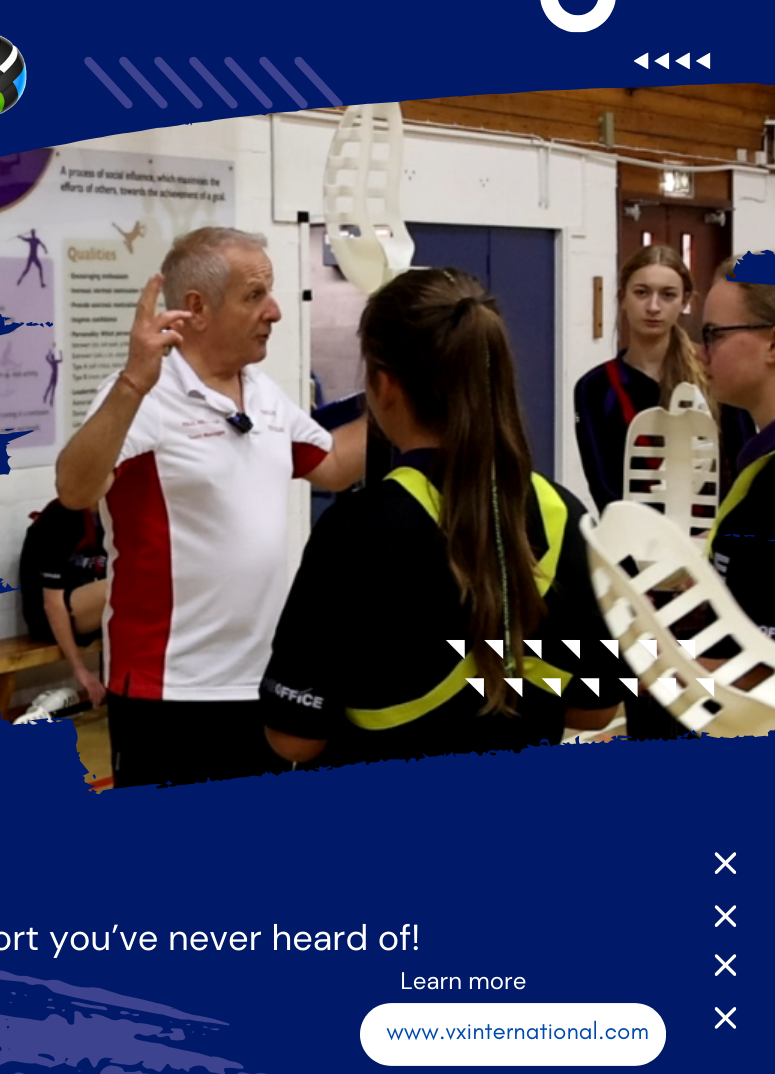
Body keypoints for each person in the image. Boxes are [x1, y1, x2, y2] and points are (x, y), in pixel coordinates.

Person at [260, 268, 625, 768]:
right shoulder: (561, 513)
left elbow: (295, 738)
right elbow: (596, 707)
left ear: (384, 386)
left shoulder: (354, 532)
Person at [56, 227, 367, 787]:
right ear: (197, 308)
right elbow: (75, 489)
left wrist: (412, 392)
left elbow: (336, 464)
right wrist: (132, 384)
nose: (274, 311)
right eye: (255, 295)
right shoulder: (144, 395)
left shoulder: (263, 393)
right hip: (169, 691)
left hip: (262, 680)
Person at [574, 245, 752, 514]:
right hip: (634, 534)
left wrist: (720, 530)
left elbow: (744, 466)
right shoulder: (595, 387)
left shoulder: (714, 371)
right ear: (622, 298)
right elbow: (604, 488)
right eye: (641, 293)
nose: (653, 307)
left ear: (685, 300)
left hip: (712, 532)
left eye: (668, 295)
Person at [702, 255, 775, 641]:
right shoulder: (761, 464)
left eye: (714, 334)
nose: (702, 352)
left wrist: (664, 663)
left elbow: (763, 665)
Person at [19, 500, 108, 707]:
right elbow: (52, 604)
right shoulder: (59, 516)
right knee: (125, 583)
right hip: (47, 618)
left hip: (84, 608)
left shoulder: (113, 515)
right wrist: (79, 668)